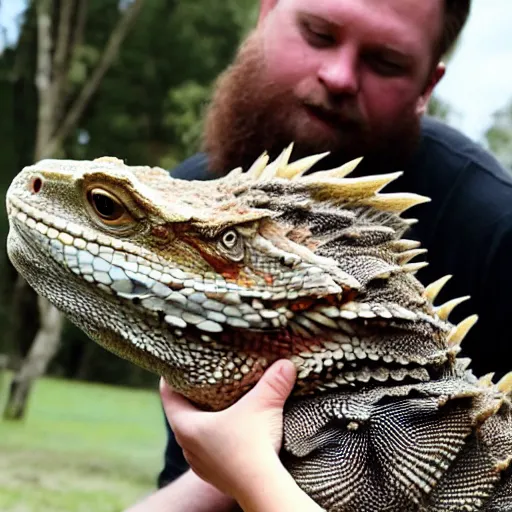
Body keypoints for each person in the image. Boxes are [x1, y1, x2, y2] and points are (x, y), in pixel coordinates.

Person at [128, 0, 512, 510]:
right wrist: (249, 460)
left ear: (427, 87)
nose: (339, 76)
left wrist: (255, 467)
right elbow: (200, 473)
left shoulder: (493, 228)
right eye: (318, 33)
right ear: (266, 14)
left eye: (386, 62)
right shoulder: (182, 207)